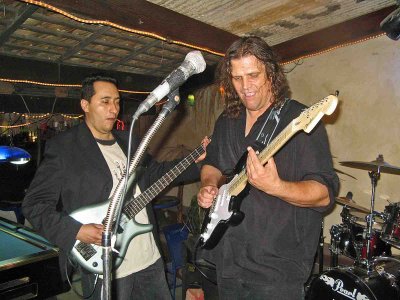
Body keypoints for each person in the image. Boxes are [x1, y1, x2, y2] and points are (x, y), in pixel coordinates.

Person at [22, 74, 207, 300]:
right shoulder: (65, 148)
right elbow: (34, 205)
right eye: (105, 101)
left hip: (149, 257)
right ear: (85, 105)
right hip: (107, 266)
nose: (114, 109)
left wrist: (194, 161)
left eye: (117, 102)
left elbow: (154, 174)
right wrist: (77, 231)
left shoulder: (128, 141)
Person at [197, 36, 339, 299]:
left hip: (275, 271)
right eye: (237, 78)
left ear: (271, 74)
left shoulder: (298, 120)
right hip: (227, 258)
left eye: (253, 75)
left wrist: (276, 186)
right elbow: (212, 164)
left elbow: (324, 193)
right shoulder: (229, 120)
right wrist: (208, 184)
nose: (245, 86)